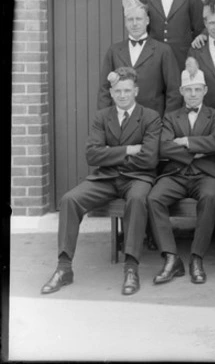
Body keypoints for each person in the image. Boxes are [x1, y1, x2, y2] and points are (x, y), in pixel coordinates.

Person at [41, 67, 161, 296]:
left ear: (135, 90)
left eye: (127, 90)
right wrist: (129, 149)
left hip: (137, 178)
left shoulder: (150, 116)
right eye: (118, 91)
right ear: (111, 92)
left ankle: (131, 268)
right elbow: (92, 155)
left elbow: (149, 158)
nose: (123, 95)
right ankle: (64, 268)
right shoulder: (102, 116)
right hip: (105, 178)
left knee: (137, 200)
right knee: (69, 199)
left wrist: (111, 153)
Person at [147, 58, 215, 285]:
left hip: (206, 174)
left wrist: (186, 142)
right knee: (154, 198)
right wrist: (196, 150)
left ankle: (196, 257)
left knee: (210, 196)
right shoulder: (172, 116)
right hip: (177, 173)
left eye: (197, 90)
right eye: (189, 90)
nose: (193, 94)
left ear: (205, 90)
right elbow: (164, 145)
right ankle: (171, 258)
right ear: (181, 91)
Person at [98, 0, 182, 118]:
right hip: (121, 123)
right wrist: (106, 122)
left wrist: (167, 125)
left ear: (147, 21)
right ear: (126, 22)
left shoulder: (163, 51)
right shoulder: (114, 51)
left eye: (139, 19)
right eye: (130, 19)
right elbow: (104, 90)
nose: (135, 24)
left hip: (153, 123)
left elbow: (174, 92)